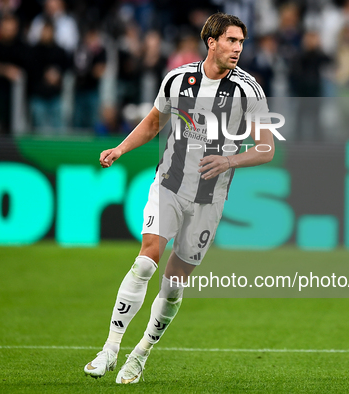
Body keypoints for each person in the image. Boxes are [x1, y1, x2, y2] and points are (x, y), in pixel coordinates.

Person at [83, 12, 275, 384]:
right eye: (231, 41)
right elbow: (154, 123)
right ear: (212, 42)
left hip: (209, 199)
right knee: (146, 260)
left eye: (241, 42)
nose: (237, 48)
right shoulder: (177, 80)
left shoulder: (248, 90)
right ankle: (109, 349)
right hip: (169, 184)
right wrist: (120, 149)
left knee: (173, 284)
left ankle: (140, 354)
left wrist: (231, 159)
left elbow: (266, 148)